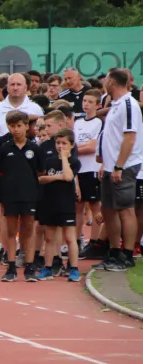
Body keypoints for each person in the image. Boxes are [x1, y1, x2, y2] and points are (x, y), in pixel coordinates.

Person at [96, 68, 143, 271]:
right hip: (110, 166)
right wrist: (106, 163)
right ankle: (113, 252)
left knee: (126, 209)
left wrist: (118, 166)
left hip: (124, 166)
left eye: (107, 78)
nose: (105, 82)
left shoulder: (128, 104)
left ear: (113, 81)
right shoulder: (114, 104)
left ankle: (127, 254)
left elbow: (130, 137)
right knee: (109, 210)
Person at [0, 110, 42, 282]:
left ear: (27, 126)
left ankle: (29, 267)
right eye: (12, 126)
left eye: (19, 126)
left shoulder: (34, 148)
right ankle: (11, 267)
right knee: (11, 231)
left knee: (29, 230)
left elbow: (40, 171)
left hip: (29, 195)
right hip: (10, 195)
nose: (16, 129)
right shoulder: (5, 148)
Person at [36, 128, 82, 282]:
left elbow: (69, 177)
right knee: (49, 237)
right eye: (58, 143)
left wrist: (64, 158)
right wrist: (58, 176)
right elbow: (41, 179)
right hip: (50, 202)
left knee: (70, 237)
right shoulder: (49, 161)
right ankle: (47, 268)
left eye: (64, 143)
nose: (60, 146)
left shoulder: (74, 162)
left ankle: (74, 268)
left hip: (66, 204)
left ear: (72, 145)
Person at [74, 90, 104, 257]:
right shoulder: (78, 123)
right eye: (84, 100)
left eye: (90, 102)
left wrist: (75, 150)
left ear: (98, 105)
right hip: (79, 169)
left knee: (95, 206)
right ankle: (78, 239)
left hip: (92, 169)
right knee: (78, 206)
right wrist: (78, 149)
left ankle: (95, 241)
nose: (85, 104)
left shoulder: (98, 123)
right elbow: (74, 144)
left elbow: (92, 147)